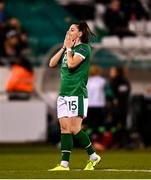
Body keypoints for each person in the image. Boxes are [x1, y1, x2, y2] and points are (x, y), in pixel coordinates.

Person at [48, 21, 101, 171]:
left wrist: (70, 49)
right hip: (63, 94)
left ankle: (93, 156)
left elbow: (71, 65)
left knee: (75, 129)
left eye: (72, 29)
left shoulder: (84, 48)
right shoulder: (68, 50)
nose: (68, 31)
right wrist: (64, 48)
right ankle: (64, 164)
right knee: (64, 128)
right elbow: (52, 63)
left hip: (76, 93)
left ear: (80, 34)